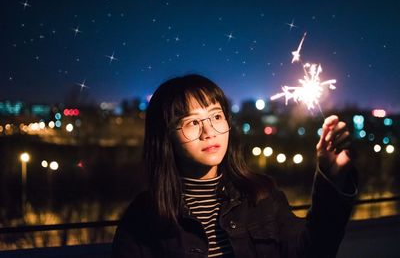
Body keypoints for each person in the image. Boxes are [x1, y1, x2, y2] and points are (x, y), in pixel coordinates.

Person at [112, 74, 357, 258]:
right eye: (192, 122)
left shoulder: (261, 196)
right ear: (166, 137)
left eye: (216, 116)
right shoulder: (143, 219)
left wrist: (330, 179)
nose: (209, 132)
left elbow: (312, 251)